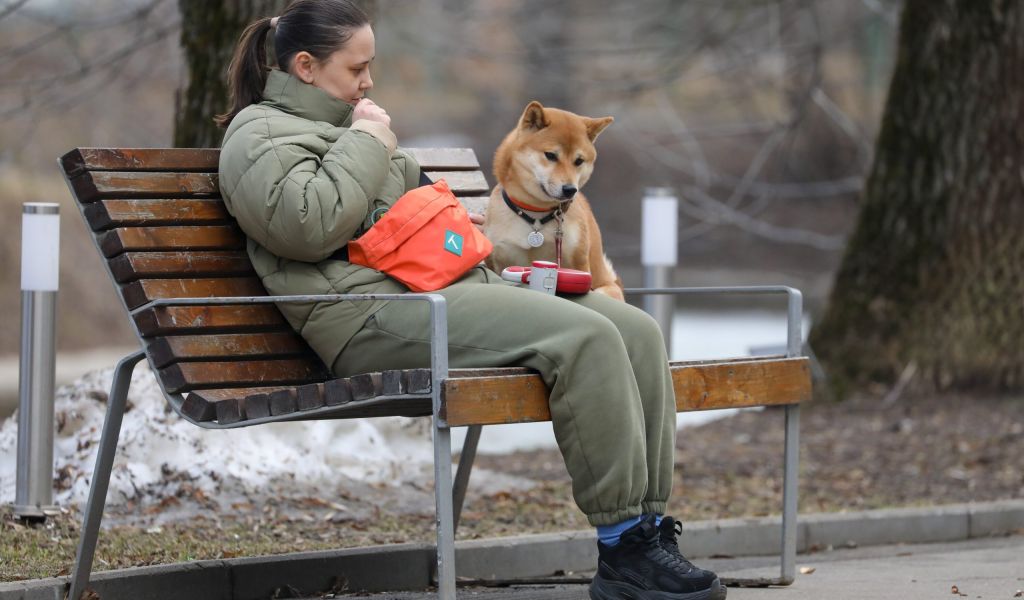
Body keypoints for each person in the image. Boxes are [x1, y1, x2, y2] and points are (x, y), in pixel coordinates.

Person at [216, 2, 726, 599]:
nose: (368, 81)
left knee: (634, 330)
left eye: (370, 67)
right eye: (357, 68)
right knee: (585, 339)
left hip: (437, 292)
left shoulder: (351, 130)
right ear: (305, 66)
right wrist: (369, 142)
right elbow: (306, 228)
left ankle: (648, 529)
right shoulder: (260, 136)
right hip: (368, 318)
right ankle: (623, 549)